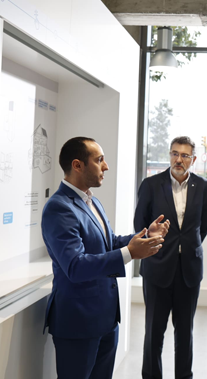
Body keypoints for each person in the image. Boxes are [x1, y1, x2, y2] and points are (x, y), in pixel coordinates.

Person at [42, 137, 169, 379]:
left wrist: (144, 236)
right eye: (99, 160)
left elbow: (108, 243)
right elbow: (75, 266)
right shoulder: (59, 208)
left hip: (106, 320)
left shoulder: (92, 201)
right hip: (78, 324)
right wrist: (130, 253)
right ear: (77, 165)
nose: (106, 166)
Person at [134, 136, 207, 379]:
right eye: (175, 154)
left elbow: (203, 226)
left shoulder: (203, 186)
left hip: (189, 270)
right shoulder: (151, 184)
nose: (179, 159)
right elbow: (140, 225)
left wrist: (186, 247)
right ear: (170, 155)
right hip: (157, 268)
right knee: (153, 332)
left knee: (185, 333)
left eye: (185, 155)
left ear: (193, 159)